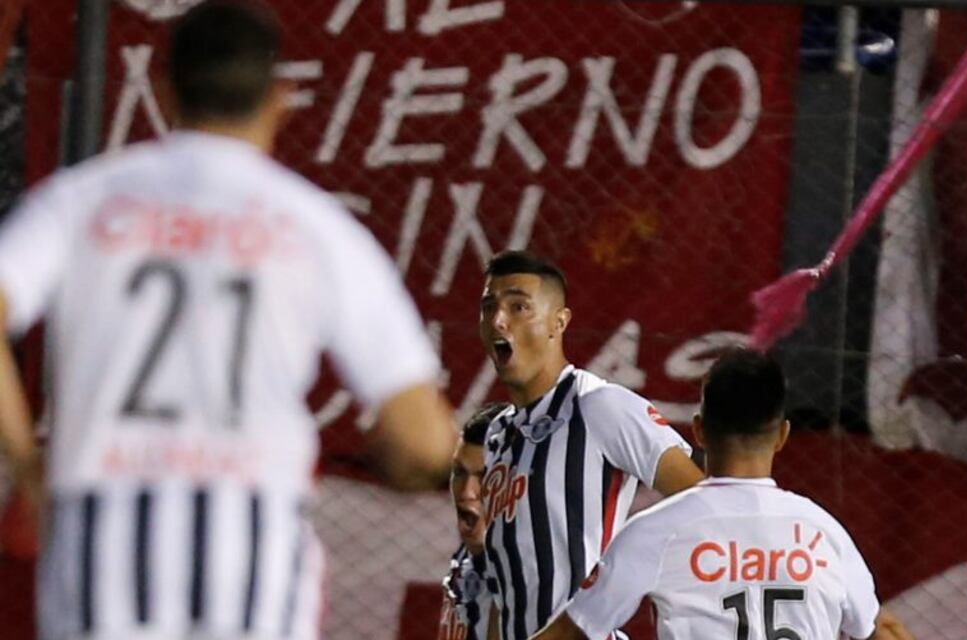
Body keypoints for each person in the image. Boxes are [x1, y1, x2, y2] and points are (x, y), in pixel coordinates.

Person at [0, 2, 457, 639]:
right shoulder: (315, 226)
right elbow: (424, 439)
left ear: (164, 90)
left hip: (102, 529)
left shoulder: (85, 199)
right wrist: (407, 464)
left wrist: (26, 462)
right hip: (251, 540)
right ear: (279, 97)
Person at [529, 349, 915, 640]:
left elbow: (570, 634)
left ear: (698, 430)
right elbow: (879, 629)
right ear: (781, 435)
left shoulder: (655, 531)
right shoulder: (822, 530)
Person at [477, 250, 704, 640]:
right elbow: (506, 583)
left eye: (518, 306)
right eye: (489, 306)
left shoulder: (599, 405)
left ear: (558, 322)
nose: (499, 319)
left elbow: (705, 503)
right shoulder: (498, 436)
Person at [439, 402, 507, 640]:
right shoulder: (469, 558)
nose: (467, 492)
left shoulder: (540, 581)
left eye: (485, 477)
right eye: (459, 472)